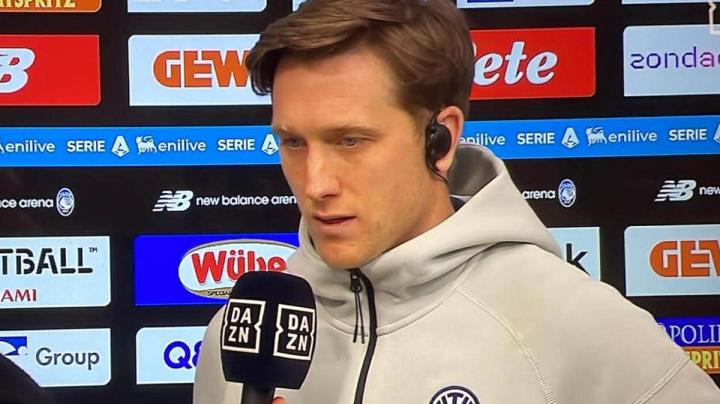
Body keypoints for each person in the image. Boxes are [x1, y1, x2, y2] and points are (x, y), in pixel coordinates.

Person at [193, 1, 720, 403]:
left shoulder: (576, 325)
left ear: (440, 140)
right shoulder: (243, 336)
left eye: (350, 141)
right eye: (293, 142)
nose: (315, 183)